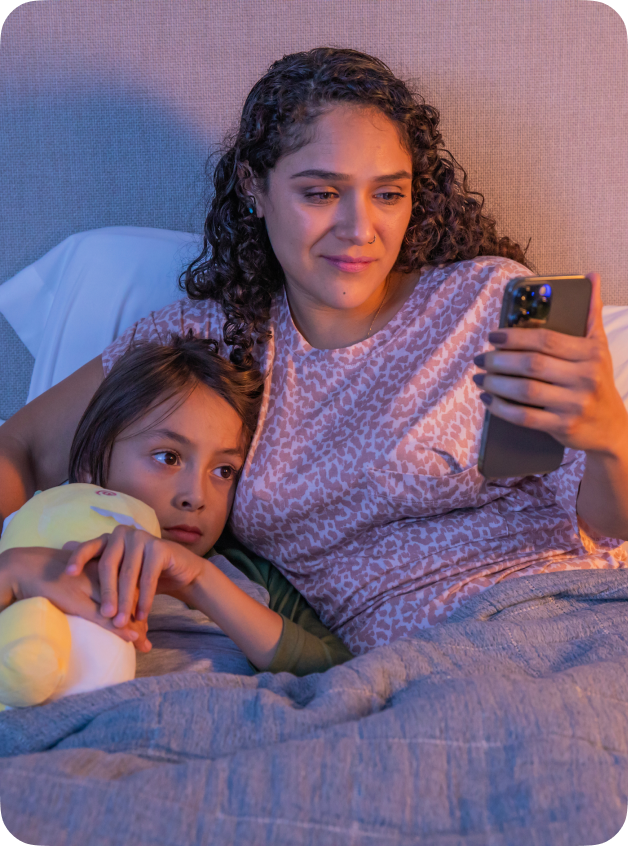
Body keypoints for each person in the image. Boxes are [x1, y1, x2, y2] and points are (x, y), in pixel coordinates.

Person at [1, 47, 627, 657]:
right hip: (407, 672)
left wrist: (609, 437)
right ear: (254, 186)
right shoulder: (206, 344)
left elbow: (611, 522)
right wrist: (19, 563)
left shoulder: (483, 301)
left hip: (567, 613)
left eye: (388, 194)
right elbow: (19, 448)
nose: (360, 230)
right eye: (322, 193)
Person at [0, 334, 352, 676]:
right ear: (91, 463)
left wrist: (197, 582)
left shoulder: (245, 571)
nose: (196, 497)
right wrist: (12, 571)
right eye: (168, 457)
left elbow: (340, 673)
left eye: (224, 470)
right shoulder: (41, 543)